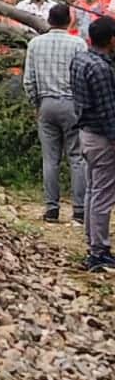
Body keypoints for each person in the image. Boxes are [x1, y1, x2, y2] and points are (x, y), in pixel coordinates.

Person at [25, 3, 88, 224]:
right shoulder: (78, 43)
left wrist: (37, 104)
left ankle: (51, 209)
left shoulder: (35, 44)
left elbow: (29, 80)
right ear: (69, 20)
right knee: (77, 158)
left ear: (49, 21)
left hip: (46, 103)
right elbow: (83, 76)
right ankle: (79, 211)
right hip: (72, 103)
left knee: (50, 159)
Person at [71, 17, 115, 273]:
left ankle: (92, 242)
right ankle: (99, 251)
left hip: (85, 134)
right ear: (110, 40)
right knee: (102, 194)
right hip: (101, 137)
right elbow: (109, 111)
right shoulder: (101, 69)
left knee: (92, 190)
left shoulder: (81, 59)